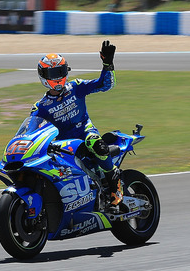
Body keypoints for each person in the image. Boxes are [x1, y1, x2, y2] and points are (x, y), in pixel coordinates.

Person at [29, 40, 122, 205]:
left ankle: (113, 177)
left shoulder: (76, 87)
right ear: (43, 76)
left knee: (94, 142)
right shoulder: (41, 106)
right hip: (63, 144)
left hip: (85, 132)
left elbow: (106, 85)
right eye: (52, 74)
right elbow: (30, 132)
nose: (57, 78)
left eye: (60, 72)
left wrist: (107, 64)